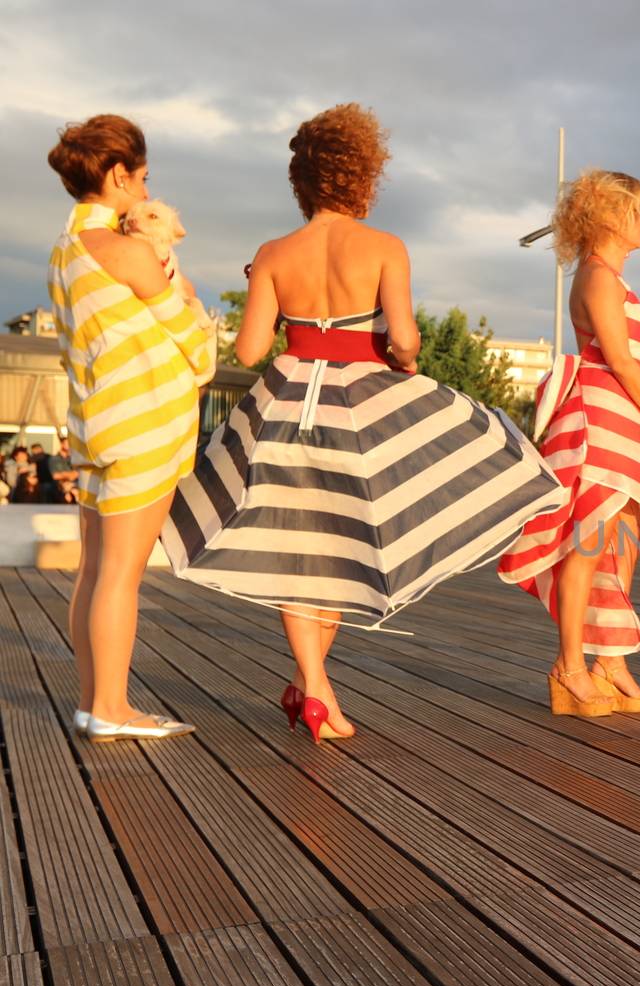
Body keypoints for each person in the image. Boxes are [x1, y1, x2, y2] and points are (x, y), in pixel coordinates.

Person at [163, 104, 564, 742]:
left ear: (301, 179)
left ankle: (310, 686)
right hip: (359, 407)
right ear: (363, 175)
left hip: (286, 407)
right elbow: (405, 341)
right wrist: (398, 352)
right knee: (347, 542)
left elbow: (246, 353)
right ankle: (316, 688)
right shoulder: (384, 247)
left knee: (297, 544)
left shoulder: (273, 252)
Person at [47, 114, 211, 742]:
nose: (145, 192)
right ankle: (112, 708)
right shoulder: (131, 253)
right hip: (146, 423)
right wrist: (194, 305)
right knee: (120, 575)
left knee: (93, 571)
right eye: (142, 180)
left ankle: (95, 701)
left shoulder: (67, 251)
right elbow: (197, 354)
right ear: (118, 176)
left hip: (97, 424)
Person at [499, 169, 640, 717]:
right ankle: (569, 667)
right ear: (613, 217)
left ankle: (608, 661)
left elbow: (627, 363)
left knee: (621, 543)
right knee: (585, 545)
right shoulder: (597, 277)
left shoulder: (609, 278)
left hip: (618, 417)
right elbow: (618, 359)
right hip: (598, 418)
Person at [46, 436, 78, 504]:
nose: (70, 445)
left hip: (74, 485)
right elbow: (55, 476)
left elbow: (77, 474)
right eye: (68, 443)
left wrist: (63, 474)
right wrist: (69, 475)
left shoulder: (74, 459)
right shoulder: (53, 459)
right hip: (59, 485)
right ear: (62, 444)